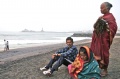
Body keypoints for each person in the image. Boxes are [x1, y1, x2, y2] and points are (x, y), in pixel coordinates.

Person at [90, 2, 117, 76]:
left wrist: (107, 31)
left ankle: (105, 70)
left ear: (107, 8)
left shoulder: (110, 17)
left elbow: (114, 27)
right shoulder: (101, 17)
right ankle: (97, 68)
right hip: (98, 39)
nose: (100, 9)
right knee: (96, 52)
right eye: (100, 8)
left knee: (105, 54)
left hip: (104, 40)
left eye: (102, 8)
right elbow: (95, 26)